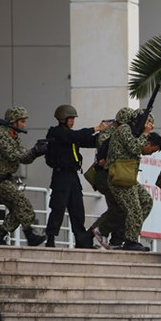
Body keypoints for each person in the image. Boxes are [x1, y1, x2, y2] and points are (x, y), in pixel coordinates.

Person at [44, 105, 110, 248]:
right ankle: (50, 239)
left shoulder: (71, 135)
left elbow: (88, 141)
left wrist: (108, 134)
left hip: (72, 176)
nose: (72, 121)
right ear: (62, 119)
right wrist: (96, 128)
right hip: (61, 176)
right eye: (70, 118)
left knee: (77, 209)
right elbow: (74, 136)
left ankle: (81, 241)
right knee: (58, 208)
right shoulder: (56, 133)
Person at [0, 107, 48, 247]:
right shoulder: (1, 135)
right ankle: (30, 233)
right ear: (14, 121)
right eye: (22, 121)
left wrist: (37, 151)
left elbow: (25, 158)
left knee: (17, 210)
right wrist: (35, 151)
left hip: (6, 178)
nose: (24, 125)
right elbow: (13, 155)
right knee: (22, 203)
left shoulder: (14, 137)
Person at [105, 109, 158, 251]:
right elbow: (135, 148)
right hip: (119, 176)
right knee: (134, 209)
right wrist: (145, 134)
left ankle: (128, 235)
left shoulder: (133, 132)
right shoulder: (124, 129)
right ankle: (131, 241)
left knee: (146, 201)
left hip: (128, 177)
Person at [88, 107, 133, 249]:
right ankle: (93, 234)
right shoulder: (107, 134)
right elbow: (106, 156)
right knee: (119, 209)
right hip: (105, 175)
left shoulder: (120, 133)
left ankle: (113, 240)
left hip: (114, 175)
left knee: (119, 209)